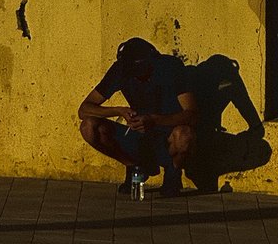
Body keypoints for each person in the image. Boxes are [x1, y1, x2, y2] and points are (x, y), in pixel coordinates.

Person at [78, 37, 198, 196]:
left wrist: (154, 120)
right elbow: (84, 109)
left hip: (168, 134)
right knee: (89, 127)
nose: (139, 77)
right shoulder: (120, 70)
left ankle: (173, 172)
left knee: (184, 135)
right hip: (138, 134)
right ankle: (134, 167)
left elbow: (192, 114)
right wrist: (119, 111)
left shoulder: (170, 68)